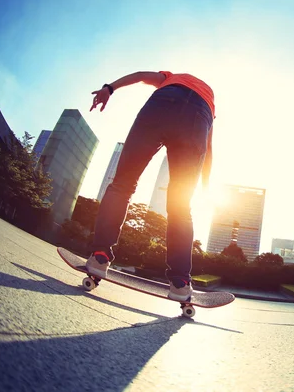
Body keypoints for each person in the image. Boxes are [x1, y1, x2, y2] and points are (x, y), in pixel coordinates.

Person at [85, 71, 214, 302]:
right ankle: (180, 283)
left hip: (164, 102)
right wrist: (206, 184)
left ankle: (100, 256)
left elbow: (141, 76)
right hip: (199, 118)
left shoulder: (171, 77)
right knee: (181, 206)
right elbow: (209, 147)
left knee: (122, 184)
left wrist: (109, 88)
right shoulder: (209, 101)